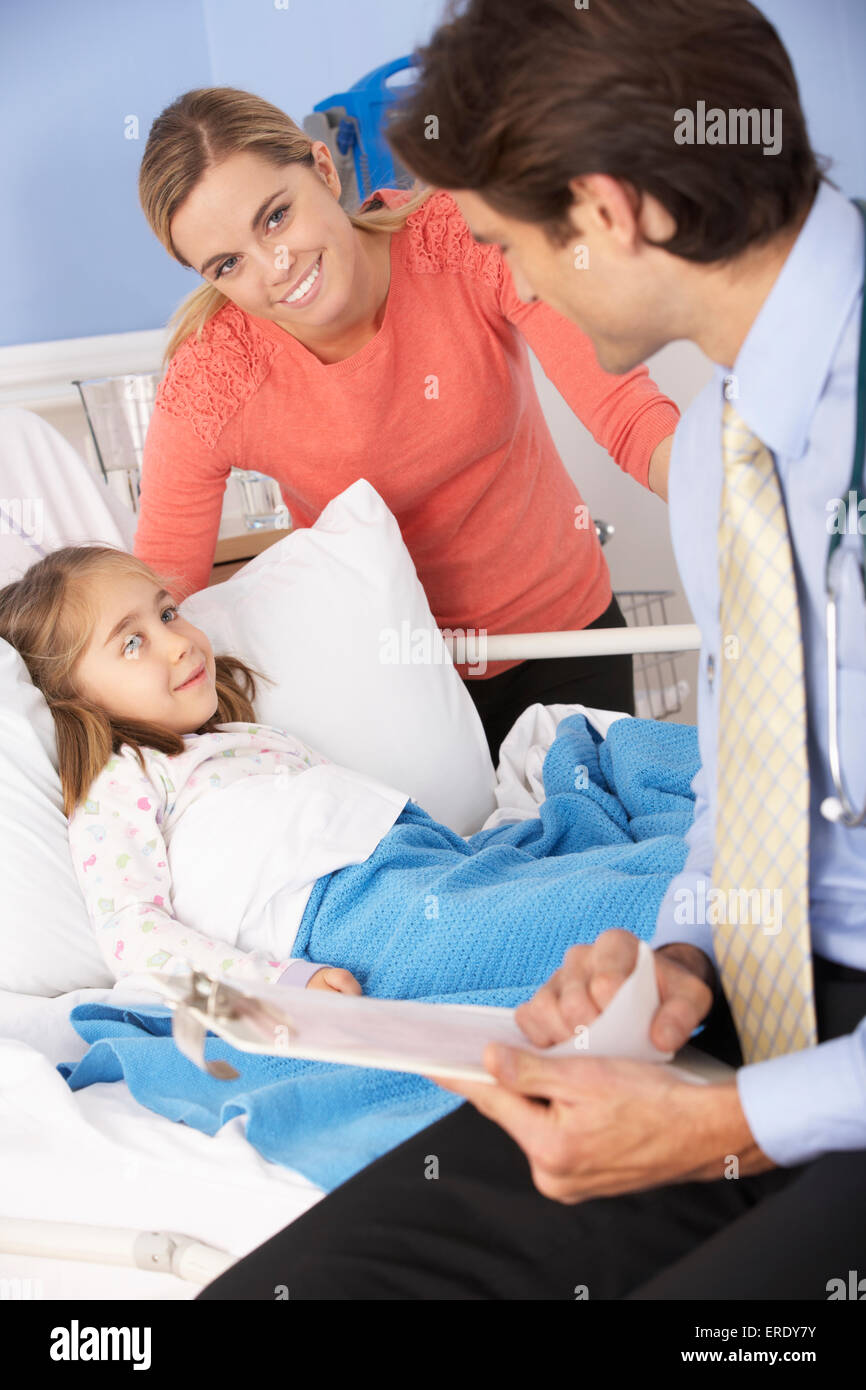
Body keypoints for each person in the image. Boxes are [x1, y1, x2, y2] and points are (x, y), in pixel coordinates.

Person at [196, 0, 866, 1300]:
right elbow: (749, 782)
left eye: (506, 245)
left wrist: (722, 1125)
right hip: (769, 1020)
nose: (510, 281)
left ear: (607, 215)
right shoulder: (725, 438)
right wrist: (676, 964)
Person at [0, 542, 697, 1182]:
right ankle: (736, 907)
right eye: (131, 642)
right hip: (348, 919)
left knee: (592, 855)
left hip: (428, 868)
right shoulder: (123, 779)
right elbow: (134, 939)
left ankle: (723, 875)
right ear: (73, 701)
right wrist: (279, 986)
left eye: (168, 612)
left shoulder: (245, 737)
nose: (177, 643)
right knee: (576, 918)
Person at [132, 86, 681, 761]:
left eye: (275, 218)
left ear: (324, 170)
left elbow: (629, 417)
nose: (274, 269)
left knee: (604, 851)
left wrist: (728, 499)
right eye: (227, 264)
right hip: (390, 690)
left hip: (565, 639)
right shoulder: (211, 380)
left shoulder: (460, 237)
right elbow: (161, 592)